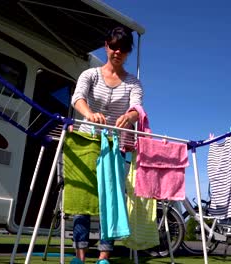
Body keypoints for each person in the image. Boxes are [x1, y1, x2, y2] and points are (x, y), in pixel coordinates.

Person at [69, 26, 143, 264]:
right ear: (106, 46)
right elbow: (77, 98)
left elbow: (137, 107)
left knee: (110, 199)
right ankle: (79, 255)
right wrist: (89, 113)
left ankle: (103, 256)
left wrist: (131, 116)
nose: (117, 52)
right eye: (113, 46)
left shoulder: (133, 82)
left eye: (123, 48)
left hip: (117, 145)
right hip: (87, 141)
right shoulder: (90, 75)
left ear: (128, 52)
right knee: (83, 197)